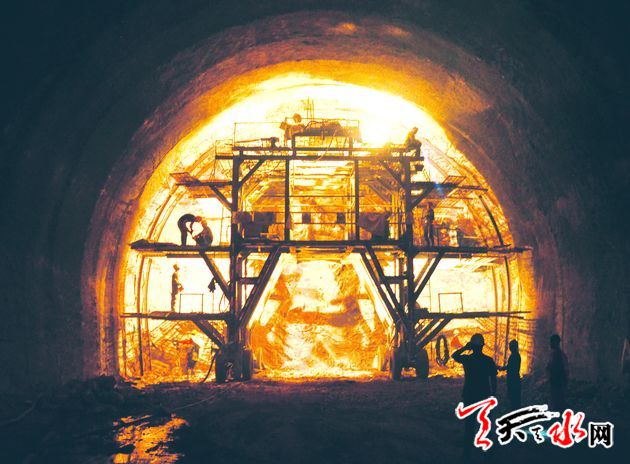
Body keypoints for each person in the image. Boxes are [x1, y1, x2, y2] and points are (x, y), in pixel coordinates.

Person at [452, 333, 498, 458]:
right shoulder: (488, 361)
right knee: (486, 425)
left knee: (469, 426)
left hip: (470, 396)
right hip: (484, 396)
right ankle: (488, 454)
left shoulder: (468, 359)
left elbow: (454, 356)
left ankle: (467, 454)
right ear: (482, 346)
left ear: (472, 346)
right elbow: (493, 378)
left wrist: (465, 348)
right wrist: (493, 393)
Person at [547, 333, 569, 411]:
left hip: (557, 382)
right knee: (557, 401)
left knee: (558, 402)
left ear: (556, 342)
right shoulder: (556, 354)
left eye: (551, 342)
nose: (550, 344)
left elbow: (558, 369)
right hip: (556, 382)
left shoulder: (558, 355)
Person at [498, 339, 522, 410]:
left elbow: (510, 367)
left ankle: (514, 409)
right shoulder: (515, 355)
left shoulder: (515, 356)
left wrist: (502, 368)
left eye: (511, 346)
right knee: (513, 395)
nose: (510, 347)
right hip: (514, 378)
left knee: (513, 396)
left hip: (513, 379)